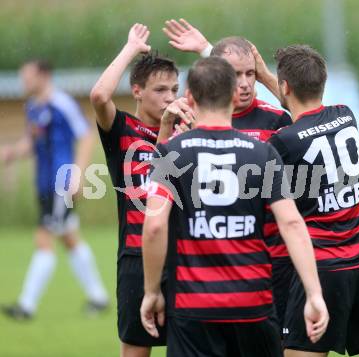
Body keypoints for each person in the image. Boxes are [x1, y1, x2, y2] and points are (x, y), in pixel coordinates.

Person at [140, 56, 329, 357]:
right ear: (232, 95)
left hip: (192, 306)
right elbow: (292, 223)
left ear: (189, 97)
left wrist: (151, 291)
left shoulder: (170, 152)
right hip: (252, 303)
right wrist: (314, 293)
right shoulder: (262, 153)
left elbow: (154, 225)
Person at [268, 44, 359, 356]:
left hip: (322, 267)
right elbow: (303, 114)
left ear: (284, 87)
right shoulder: (346, 116)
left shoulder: (282, 142)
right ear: (322, 82)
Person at [162, 18, 294, 329]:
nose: (246, 83)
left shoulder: (276, 118)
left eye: (251, 74)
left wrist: (263, 73)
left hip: (268, 263)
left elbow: (309, 115)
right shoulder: (194, 122)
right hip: (206, 265)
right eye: (236, 75)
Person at [90, 23, 193, 357]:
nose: (169, 97)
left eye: (174, 89)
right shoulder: (122, 128)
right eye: (160, 90)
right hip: (136, 257)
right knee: (136, 350)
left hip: (182, 256)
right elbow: (98, 96)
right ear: (137, 91)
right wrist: (131, 48)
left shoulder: (187, 132)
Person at [0, 59, 109, 320]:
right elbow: (32, 141)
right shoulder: (33, 108)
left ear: (43, 76)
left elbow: (85, 134)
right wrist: (11, 154)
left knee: (44, 238)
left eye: (27, 76)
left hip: (61, 183)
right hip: (43, 183)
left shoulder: (62, 103)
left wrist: (78, 173)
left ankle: (26, 307)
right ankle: (99, 298)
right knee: (69, 238)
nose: (23, 81)